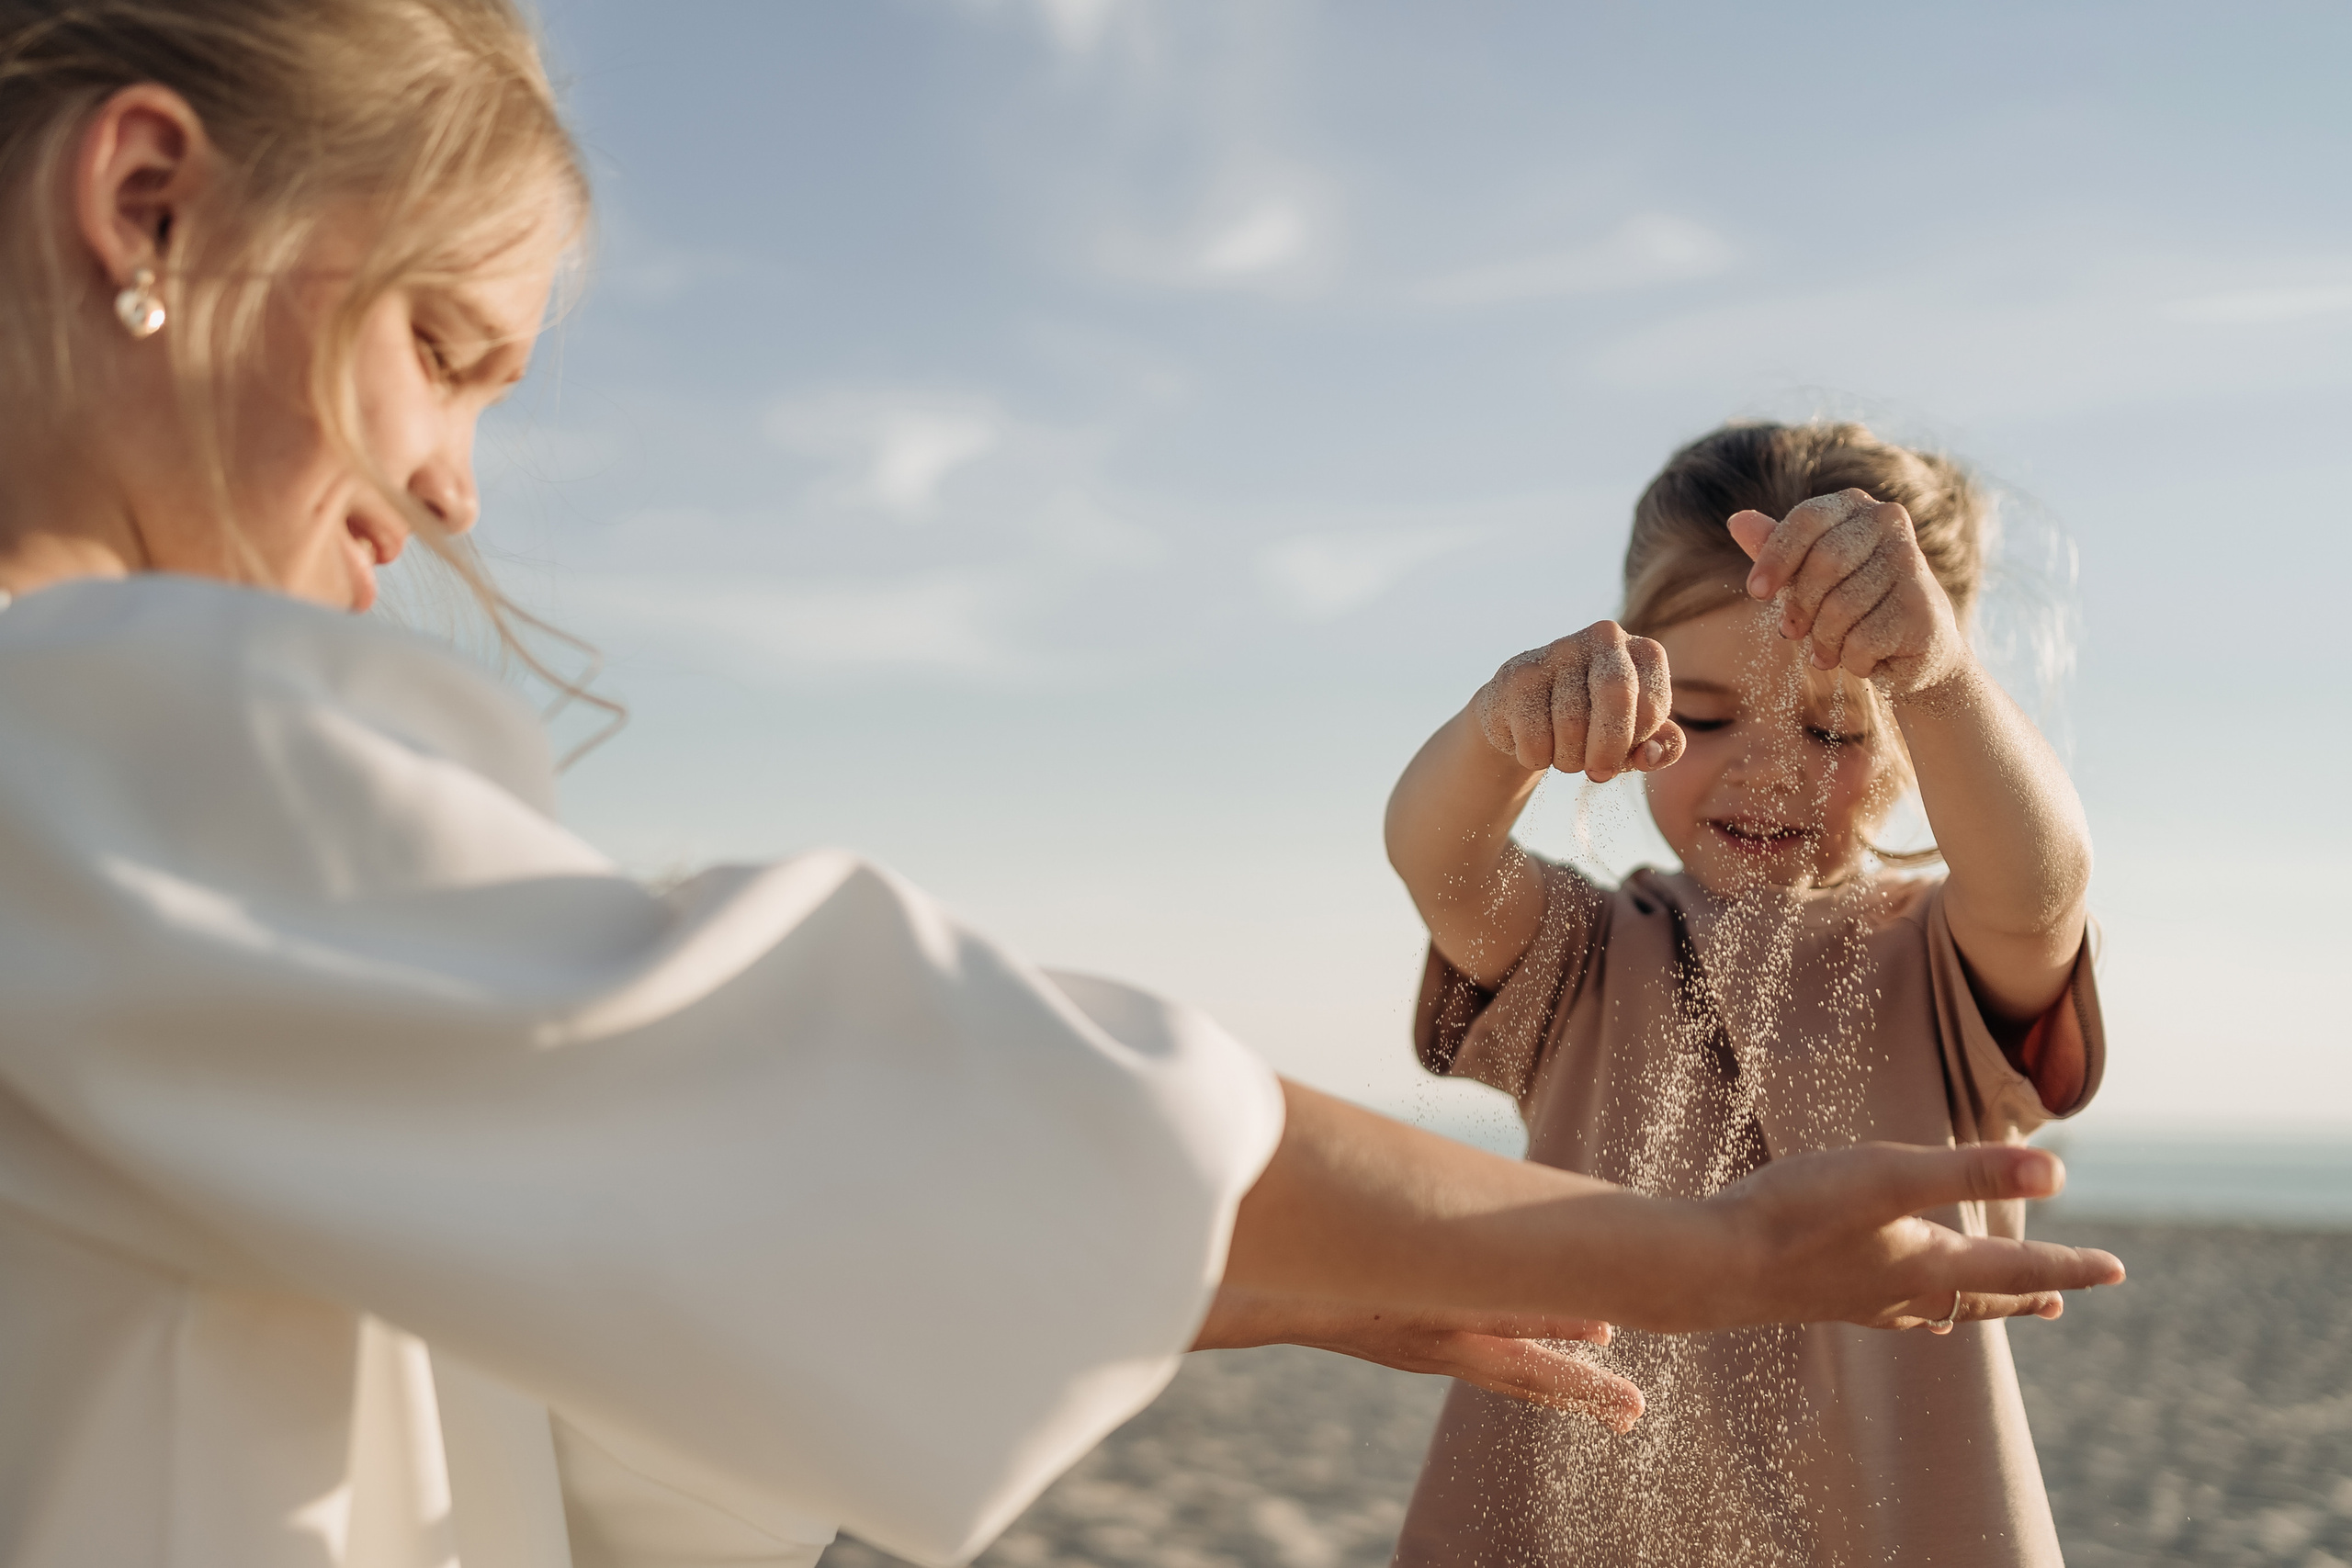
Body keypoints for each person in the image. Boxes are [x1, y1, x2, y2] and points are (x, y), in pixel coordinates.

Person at [0, 6, 2121, 1566]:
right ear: (146, 202)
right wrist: (1693, 1254)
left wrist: (1257, 1274)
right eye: (444, 351)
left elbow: (580, 1300)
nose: (457, 481)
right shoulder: (89, 748)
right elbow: (787, 1079)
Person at [1384, 421, 2104, 1566]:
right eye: (1710, 717)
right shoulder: (1586, 954)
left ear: (1919, 740)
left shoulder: (1942, 959)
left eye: (1834, 726)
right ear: (1638, 691)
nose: (1769, 767)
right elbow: (1439, 857)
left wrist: (1940, 677)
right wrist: (1498, 732)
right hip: (1579, 1519)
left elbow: (2041, 886)